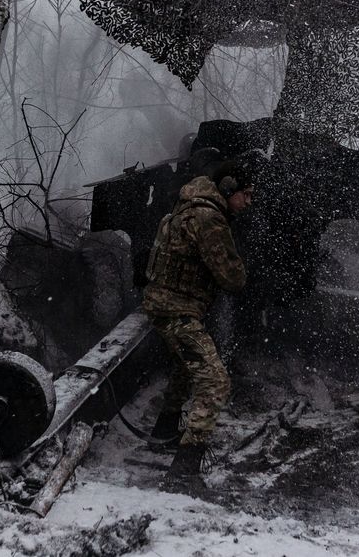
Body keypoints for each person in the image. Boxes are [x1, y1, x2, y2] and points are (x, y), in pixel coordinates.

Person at [141, 159, 254, 493]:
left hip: (165, 304)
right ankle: (184, 472)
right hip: (177, 310)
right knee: (216, 381)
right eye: (245, 195)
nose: (248, 202)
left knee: (185, 366)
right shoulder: (209, 220)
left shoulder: (188, 206)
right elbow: (232, 278)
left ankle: (163, 431)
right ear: (228, 189)